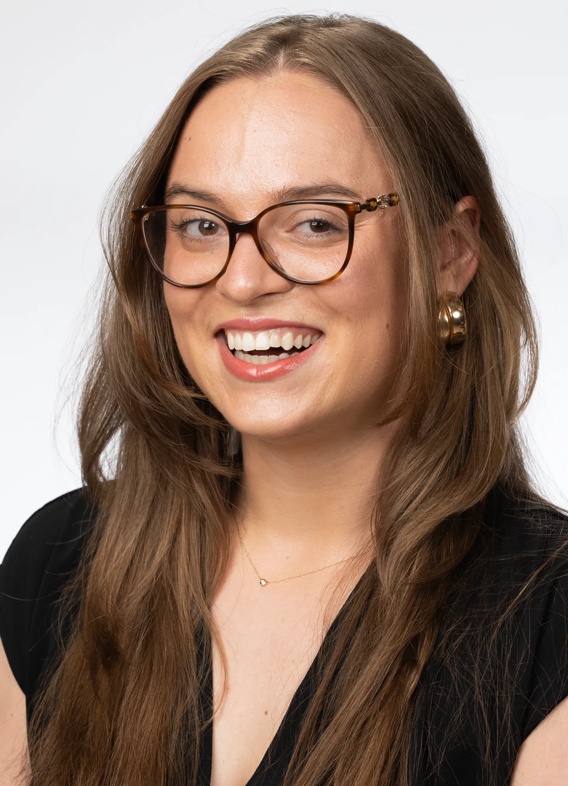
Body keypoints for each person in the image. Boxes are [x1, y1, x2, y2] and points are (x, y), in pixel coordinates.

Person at [1, 13, 567, 786]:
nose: (242, 280)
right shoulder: (59, 561)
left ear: (449, 255)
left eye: (311, 222)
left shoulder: (548, 620)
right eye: (202, 224)